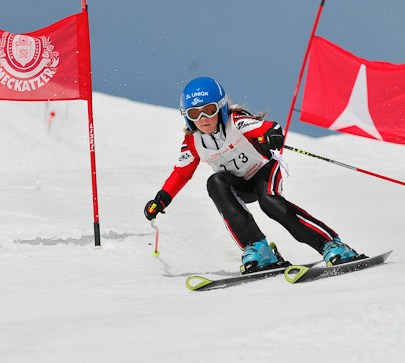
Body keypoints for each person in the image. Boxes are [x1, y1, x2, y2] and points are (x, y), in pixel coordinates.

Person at [144, 77, 362, 274]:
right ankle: (259, 248)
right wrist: (161, 199)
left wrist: (272, 134)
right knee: (214, 182)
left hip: (264, 171)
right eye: (194, 113)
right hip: (239, 185)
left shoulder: (236, 122)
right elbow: (181, 174)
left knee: (270, 202)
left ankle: (331, 245)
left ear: (220, 108)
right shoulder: (193, 142)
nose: (202, 118)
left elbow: (267, 127)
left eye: (208, 110)